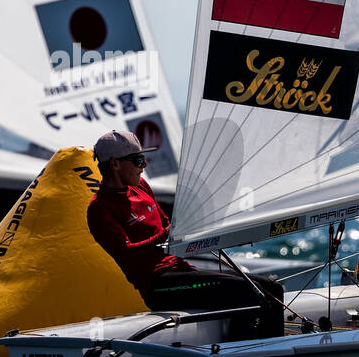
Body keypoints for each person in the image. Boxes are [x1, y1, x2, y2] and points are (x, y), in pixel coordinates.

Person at [86, 130, 286, 338]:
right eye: (138, 160)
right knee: (247, 292)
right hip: (159, 286)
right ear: (115, 165)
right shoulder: (100, 209)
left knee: (272, 288)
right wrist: (165, 235)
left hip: (182, 271)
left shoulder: (142, 187)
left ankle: (271, 351)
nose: (144, 165)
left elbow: (167, 224)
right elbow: (126, 253)